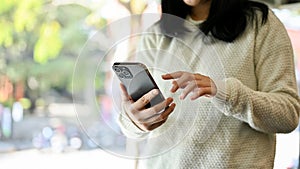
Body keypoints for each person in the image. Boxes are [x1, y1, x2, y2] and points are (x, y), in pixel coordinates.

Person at [117, 0, 300, 168]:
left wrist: (224, 93)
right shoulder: (156, 34)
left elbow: (288, 115)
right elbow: (132, 127)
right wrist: (134, 120)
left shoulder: (261, 23)